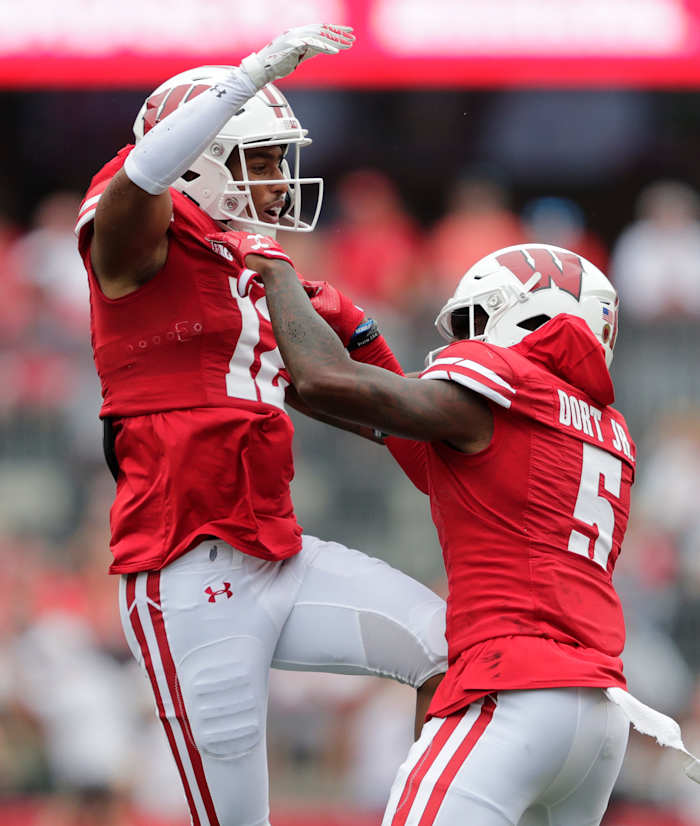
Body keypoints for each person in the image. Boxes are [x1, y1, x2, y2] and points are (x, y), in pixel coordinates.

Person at [74, 24, 448, 826]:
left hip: (275, 551)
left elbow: (394, 410)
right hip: (185, 570)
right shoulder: (140, 245)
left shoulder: (273, 281)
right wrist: (243, 80)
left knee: (456, 651)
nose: (281, 182)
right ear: (205, 159)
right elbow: (141, 178)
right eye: (263, 158)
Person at [233, 237, 700, 825]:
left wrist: (274, 276)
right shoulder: (607, 427)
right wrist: (359, 331)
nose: (467, 342)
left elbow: (330, 383)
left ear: (532, 314)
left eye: (479, 322)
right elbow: (401, 425)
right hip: (596, 722)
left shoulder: (507, 379)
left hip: (511, 695)